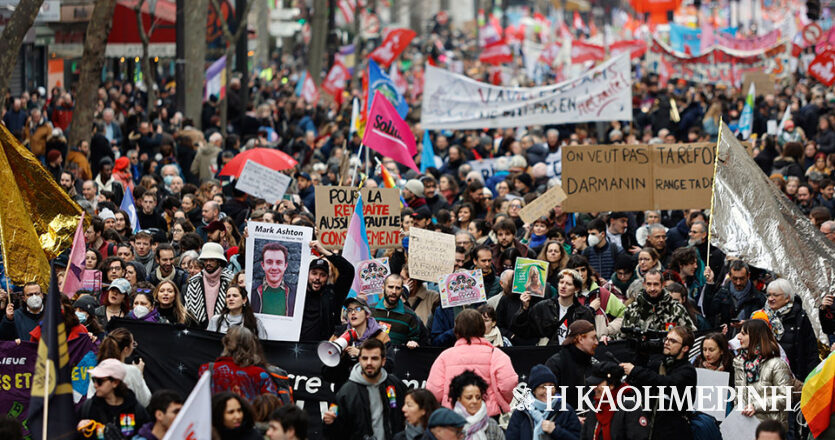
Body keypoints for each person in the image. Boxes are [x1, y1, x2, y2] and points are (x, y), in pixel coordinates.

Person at [426, 309, 517, 417]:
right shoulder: (496, 354)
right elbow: (508, 384)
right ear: (482, 328)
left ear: (457, 330)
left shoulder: (445, 356)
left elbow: (434, 391)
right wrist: (500, 401)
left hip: (453, 415)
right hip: (488, 414)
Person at [619, 326, 698, 440]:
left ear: (685, 348)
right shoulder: (660, 364)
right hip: (652, 429)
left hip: (675, 433)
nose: (667, 343)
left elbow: (666, 383)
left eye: (673, 341)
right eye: (666, 339)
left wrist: (635, 370)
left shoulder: (687, 371)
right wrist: (642, 354)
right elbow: (639, 380)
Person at [323, 338, 407, 440]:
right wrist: (330, 423)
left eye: (374, 358)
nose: (369, 363)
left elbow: (405, 416)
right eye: (365, 358)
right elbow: (333, 425)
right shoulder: (345, 392)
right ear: (359, 360)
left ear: (383, 361)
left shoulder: (395, 385)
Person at [734, 319, 793, 429]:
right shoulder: (740, 363)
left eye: (743, 334)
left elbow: (786, 397)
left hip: (770, 429)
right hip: (745, 427)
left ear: (755, 336)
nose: (738, 337)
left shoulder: (777, 364)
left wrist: (756, 406)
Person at [512, 269, 595, 345]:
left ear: (576, 289)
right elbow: (523, 332)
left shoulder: (584, 313)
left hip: (573, 356)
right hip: (547, 354)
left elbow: (590, 339)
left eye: (568, 284)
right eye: (561, 282)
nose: (563, 286)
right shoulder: (542, 307)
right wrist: (524, 309)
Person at [198, 326, 278, 401]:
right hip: (250, 415)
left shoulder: (207, 370)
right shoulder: (260, 374)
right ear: (251, 345)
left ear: (226, 344)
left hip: (214, 415)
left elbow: (199, 400)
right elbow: (271, 404)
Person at [760, 278, 819, 379]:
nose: (770, 298)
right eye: (768, 295)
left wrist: (810, 379)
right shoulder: (761, 315)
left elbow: (810, 351)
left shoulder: (800, 317)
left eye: (775, 295)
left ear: (787, 298)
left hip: (794, 377)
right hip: (767, 376)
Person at [77, 359, 151, 439]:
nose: (95, 385)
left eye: (99, 381)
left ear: (115, 382)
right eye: (94, 380)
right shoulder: (88, 408)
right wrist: (78, 428)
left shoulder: (136, 409)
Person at [506, 364, 582, 440]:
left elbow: (578, 438)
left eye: (551, 386)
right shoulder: (521, 412)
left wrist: (556, 430)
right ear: (534, 390)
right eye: (543, 387)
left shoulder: (566, 411)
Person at [299, 241, 355, 341]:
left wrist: (324, 252)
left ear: (327, 277)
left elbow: (349, 270)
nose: (317, 278)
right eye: (314, 273)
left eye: (322, 275)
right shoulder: (298, 294)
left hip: (325, 350)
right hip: (297, 349)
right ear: (307, 274)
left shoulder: (333, 295)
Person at [86, 327, 152, 406]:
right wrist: (140, 374)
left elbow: (90, 399)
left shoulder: (97, 371)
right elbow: (145, 401)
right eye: (133, 344)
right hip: (127, 416)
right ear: (126, 349)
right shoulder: (132, 371)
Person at [619, 269, 694, 337]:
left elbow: (691, 334)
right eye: (649, 284)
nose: (652, 288)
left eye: (656, 284)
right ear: (644, 284)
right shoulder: (633, 309)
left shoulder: (676, 308)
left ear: (663, 284)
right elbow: (622, 337)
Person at [544, 320, 598, 412]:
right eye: (593, 338)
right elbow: (546, 397)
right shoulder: (555, 364)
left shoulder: (594, 364)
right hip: (563, 423)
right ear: (580, 339)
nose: (596, 342)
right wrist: (571, 417)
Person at [703, 260, 766, 330]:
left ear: (748, 276)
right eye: (735, 278)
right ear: (729, 276)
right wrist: (709, 283)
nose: (738, 282)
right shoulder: (723, 293)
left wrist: (747, 324)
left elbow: (762, 323)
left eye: (742, 279)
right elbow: (709, 311)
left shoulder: (758, 298)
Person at [184, 242, 235, 328]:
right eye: (205, 260)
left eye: (212, 260)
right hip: (199, 330)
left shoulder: (230, 281)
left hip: (225, 330)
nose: (208, 263)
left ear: (219, 261)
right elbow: (188, 310)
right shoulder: (194, 282)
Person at [373, 274, 422, 347]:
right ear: (383, 288)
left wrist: (413, 343)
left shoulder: (410, 315)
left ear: (402, 290)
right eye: (390, 287)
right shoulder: (370, 310)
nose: (394, 291)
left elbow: (416, 339)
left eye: (398, 288)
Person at [251, 242, 296, 316]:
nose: (274, 267)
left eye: (279, 262)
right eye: (269, 262)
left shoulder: (295, 294)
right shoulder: (252, 292)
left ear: (285, 266)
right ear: (263, 265)